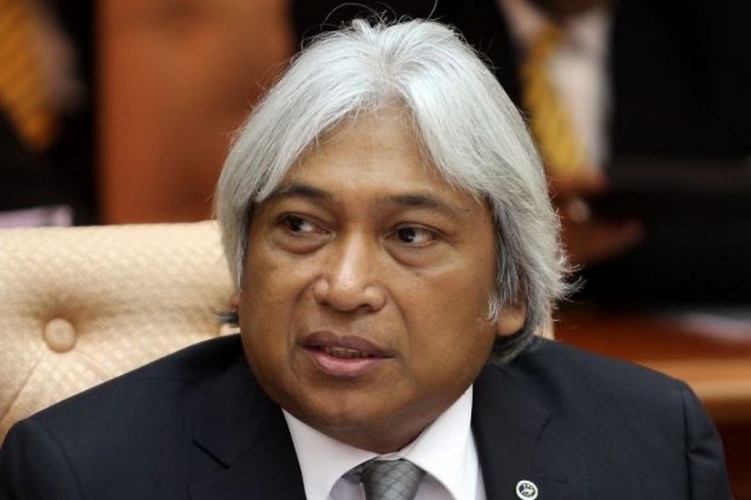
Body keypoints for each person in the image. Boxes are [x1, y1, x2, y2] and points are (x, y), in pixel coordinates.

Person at [0, 18, 730, 499]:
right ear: (242, 264)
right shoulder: (85, 474)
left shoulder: (650, 441)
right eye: (299, 226)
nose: (344, 287)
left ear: (509, 292)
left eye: (410, 236)